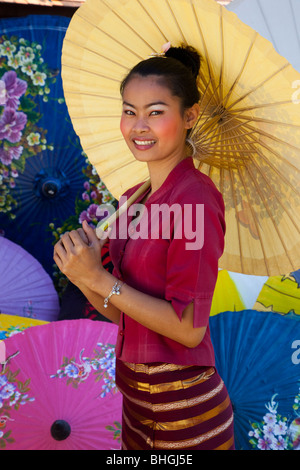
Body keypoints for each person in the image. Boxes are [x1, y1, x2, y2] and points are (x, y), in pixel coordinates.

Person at [53, 44, 235, 450]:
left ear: (190, 116)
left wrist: (99, 276)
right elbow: (123, 316)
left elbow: (188, 328)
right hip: (137, 405)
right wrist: (82, 275)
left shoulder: (194, 200)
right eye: (129, 111)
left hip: (185, 410)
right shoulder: (136, 197)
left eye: (155, 112)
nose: (138, 126)